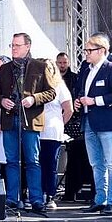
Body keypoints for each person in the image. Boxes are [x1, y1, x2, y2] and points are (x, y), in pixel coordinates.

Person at [0, 33, 55, 213]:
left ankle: (36, 199)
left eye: (17, 45)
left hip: (30, 119)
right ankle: (12, 198)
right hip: (10, 118)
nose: (14, 48)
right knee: (11, 160)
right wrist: (2, 101)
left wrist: (34, 99)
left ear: (28, 46)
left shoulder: (40, 67)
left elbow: (51, 93)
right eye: (12, 45)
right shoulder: (5, 69)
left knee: (32, 161)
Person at [74, 33, 112, 216]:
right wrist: (78, 101)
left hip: (107, 122)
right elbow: (81, 90)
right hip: (89, 121)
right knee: (96, 163)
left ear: (102, 50)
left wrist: (94, 100)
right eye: (85, 50)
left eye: (89, 50)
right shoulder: (86, 69)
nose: (86, 53)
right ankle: (99, 199)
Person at [38, 59, 73, 209]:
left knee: (50, 164)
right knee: (35, 164)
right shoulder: (35, 86)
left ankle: (50, 195)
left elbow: (69, 109)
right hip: (35, 131)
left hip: (52, 131)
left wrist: (59, 123)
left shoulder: (59, 86)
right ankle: (36, 194)